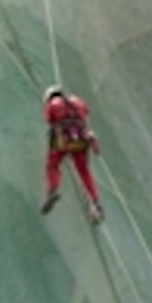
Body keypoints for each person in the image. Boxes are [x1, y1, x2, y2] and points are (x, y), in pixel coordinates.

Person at [42, 85, 102, 222]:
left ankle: (53, 189)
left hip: (62, 142)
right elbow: (86, 120)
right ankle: (95, 202)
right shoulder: (78, 102)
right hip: (80, 141)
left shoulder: (52, 105)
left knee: (53, 166)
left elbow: (51, 122)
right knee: (84, 172)